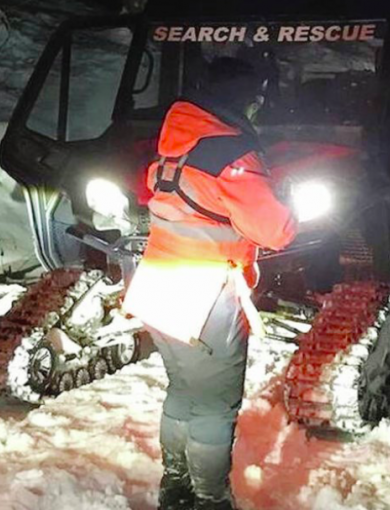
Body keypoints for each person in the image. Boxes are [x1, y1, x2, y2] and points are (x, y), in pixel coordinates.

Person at [123, 57, 297, 510]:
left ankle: (175, 486)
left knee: (183, 392)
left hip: (157, 284)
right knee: (215, 408)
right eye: (257, 101)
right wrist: (290, 205)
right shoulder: (232, 153)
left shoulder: (177, 140)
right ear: (246, 100)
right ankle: (210, 498)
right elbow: (275, 230)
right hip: (204, 297)